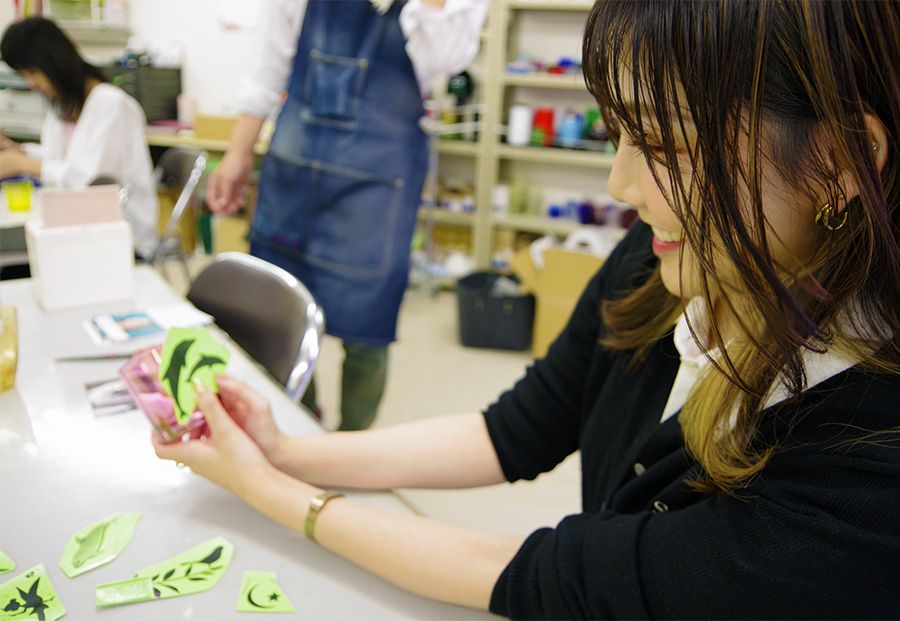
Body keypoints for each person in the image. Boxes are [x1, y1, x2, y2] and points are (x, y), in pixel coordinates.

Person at [154, 0, 900, 617]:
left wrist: (267, 490)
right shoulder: (661, 264)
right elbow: (513, 430)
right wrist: (288, 451)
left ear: (839, 164)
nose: (619, 184)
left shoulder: (867, 465)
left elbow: (552, 577)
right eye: (618, 134)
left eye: (662, 143)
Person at [206, 0, 488, 431]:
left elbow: (446, 59)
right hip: (295, 172)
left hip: (376, 187)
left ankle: (353, 441)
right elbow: (267, 68)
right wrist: (237, 153)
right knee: (280, 308)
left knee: (368, 323)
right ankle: (302, 417)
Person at [0, 17, 158, 259]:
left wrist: (22, 164)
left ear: (54, 61)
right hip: (77, 228)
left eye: (32, 72)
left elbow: (89, 180)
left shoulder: (110, 104)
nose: (31, 83)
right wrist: (19, 151)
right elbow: (58, 159)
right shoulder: (63, 107)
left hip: (121, 240)